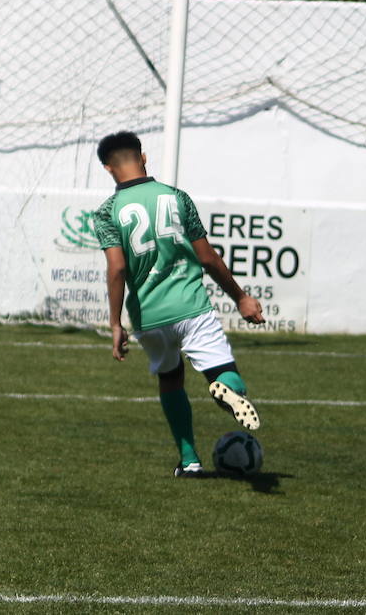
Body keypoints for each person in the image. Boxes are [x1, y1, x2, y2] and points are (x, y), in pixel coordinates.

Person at [92, 131, 264, 478]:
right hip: (191, 305)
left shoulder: (107, 212)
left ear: (109, 168)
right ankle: (227, 388)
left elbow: (118, 268)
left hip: (150, 315)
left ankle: (190, 461)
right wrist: (241, 297)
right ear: (143, 158)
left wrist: (115, 323)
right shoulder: (176, 197)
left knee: (171, 378)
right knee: (224, 375)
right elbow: (207, 258)